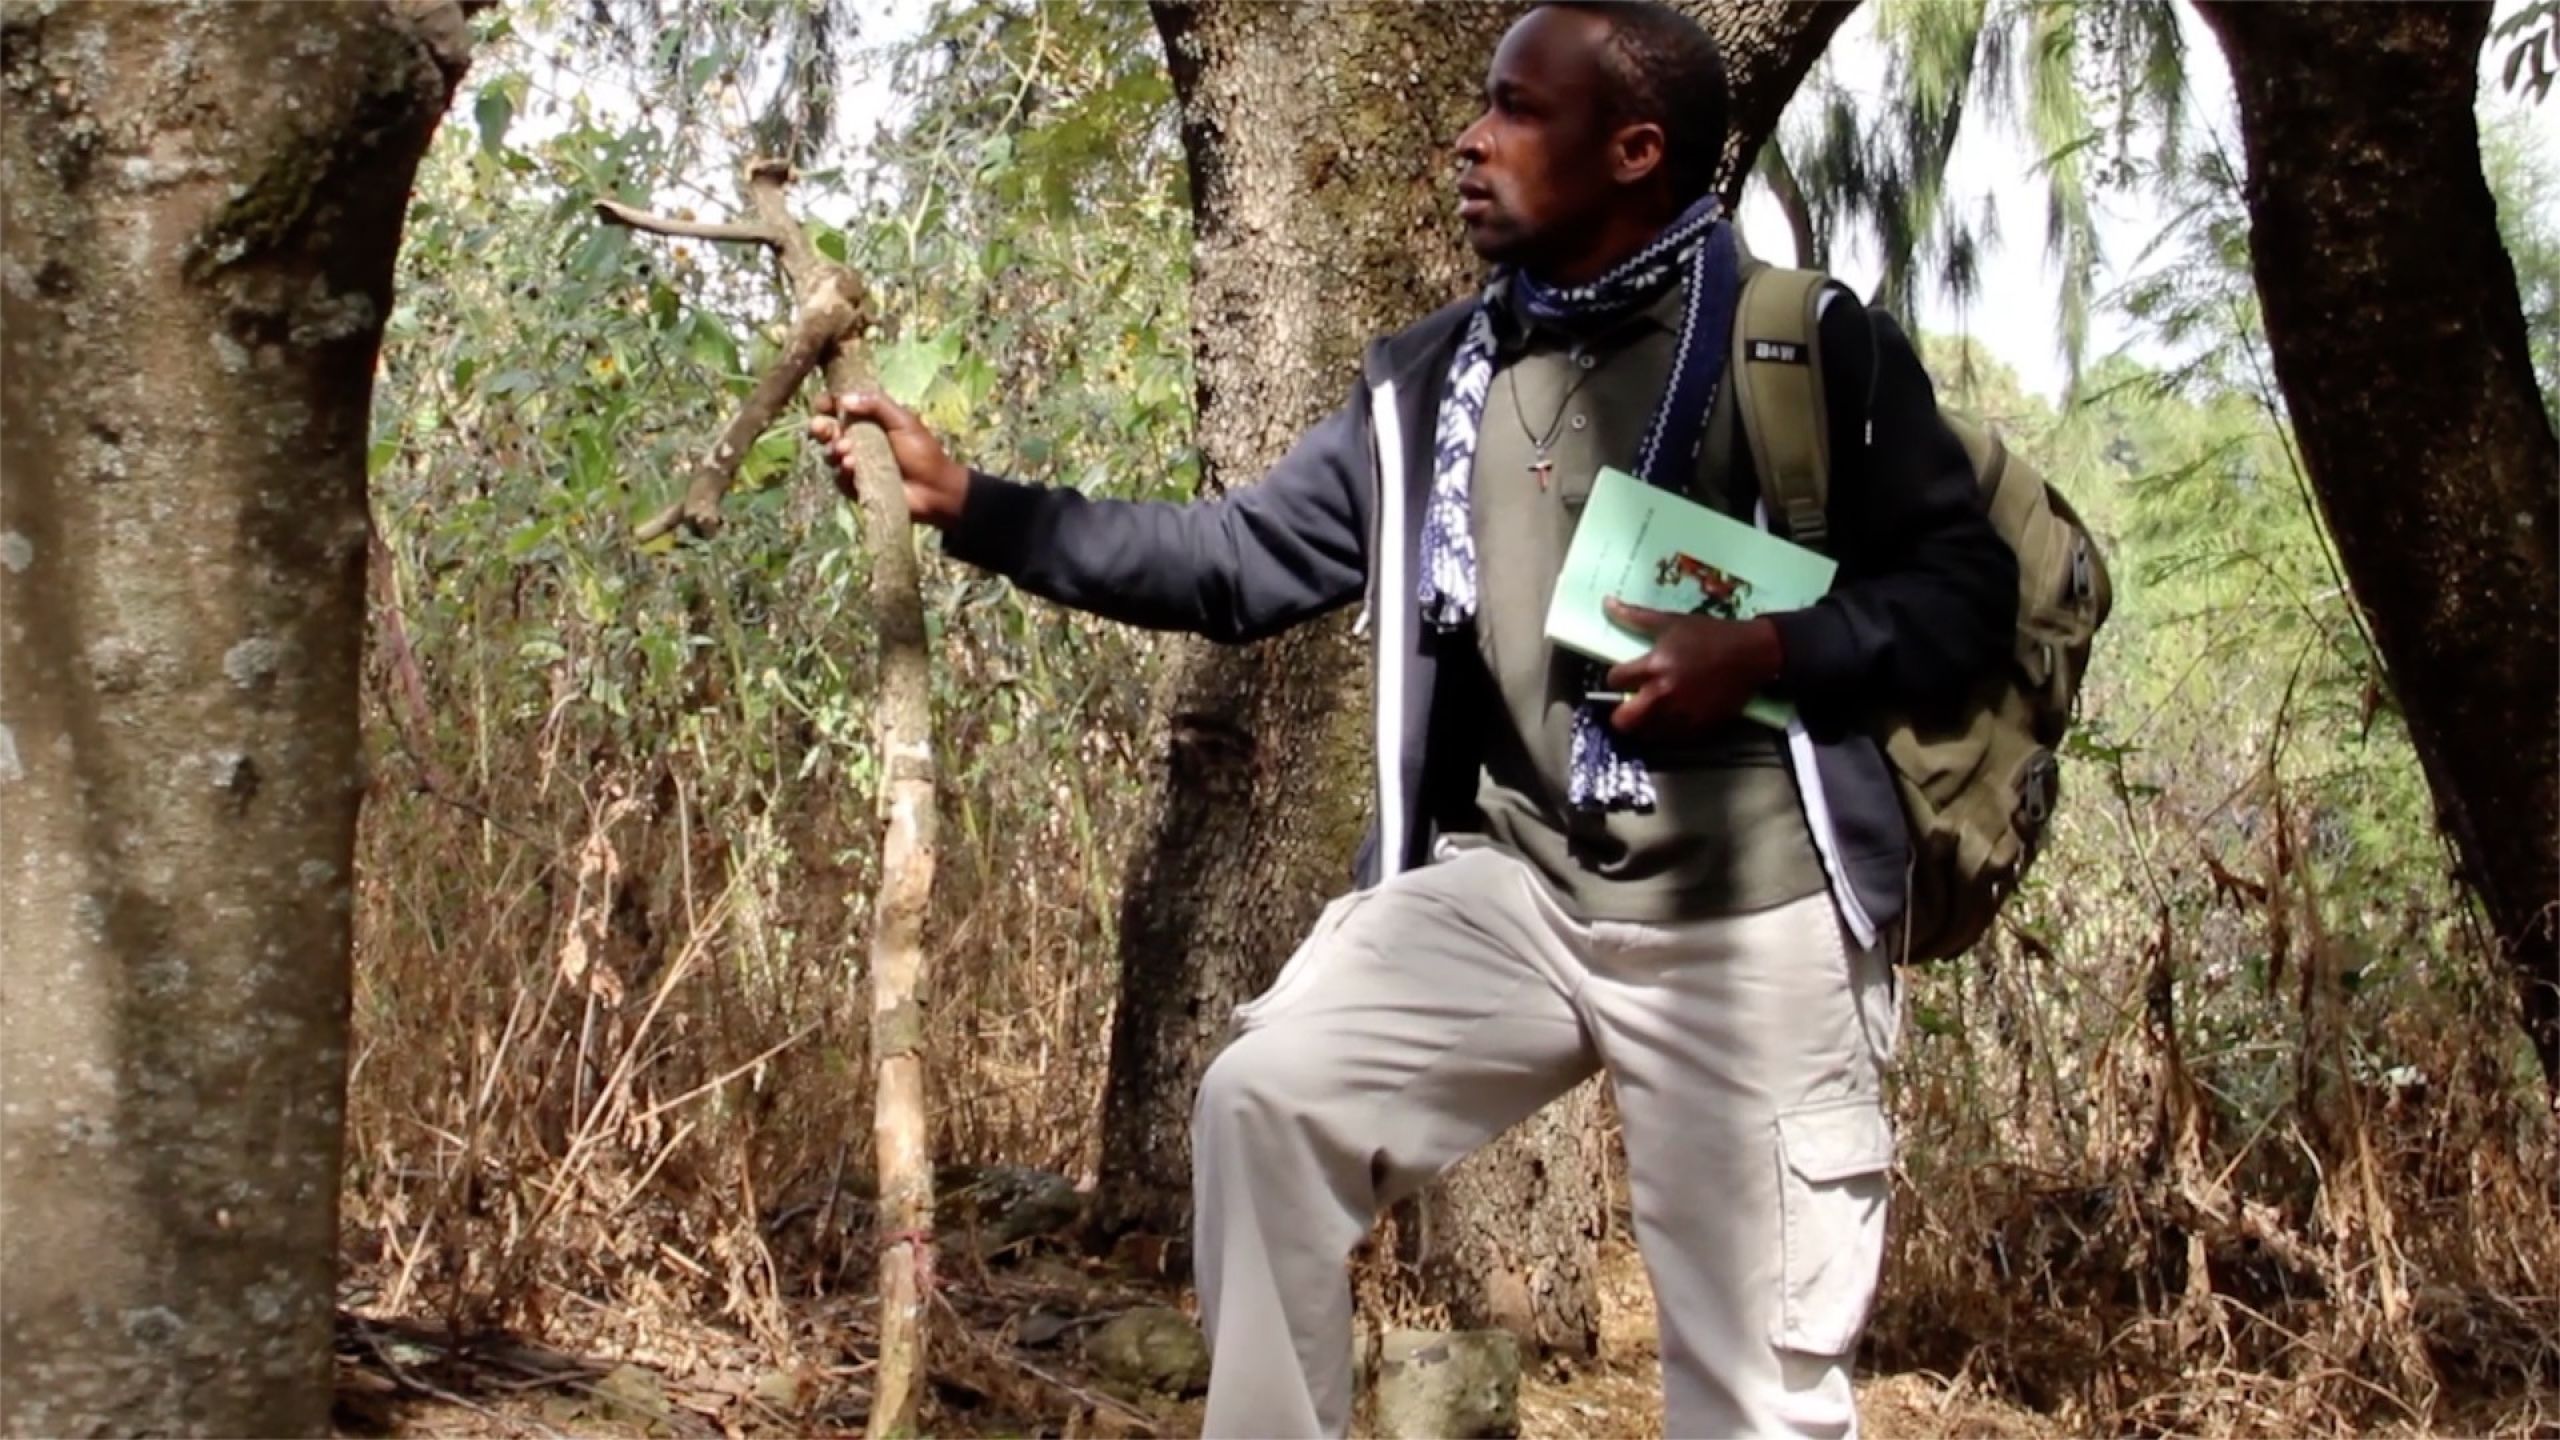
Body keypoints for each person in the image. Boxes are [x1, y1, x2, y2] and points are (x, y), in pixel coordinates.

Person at [809, 4, 2014, 1434]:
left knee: (1757, 1383)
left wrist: (1765, 645)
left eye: (1514, 111)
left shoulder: (1796, 347)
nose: (1469, 138)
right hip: (1518, 888)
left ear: (1634, 152)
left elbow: (1963, 600)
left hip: (1749, 919)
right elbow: (1234, 561)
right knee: (1267, 1102)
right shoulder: (1434, 384)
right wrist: (979, 508)